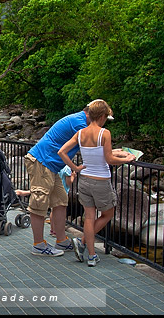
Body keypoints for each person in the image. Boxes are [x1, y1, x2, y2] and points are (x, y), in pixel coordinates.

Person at [58, 99, 135, 267]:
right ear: (101, 116)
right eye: (106, 116)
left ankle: (91, 255)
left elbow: (62, 151)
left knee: (89, 218)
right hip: (100, 181)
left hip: (84, 180)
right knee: (108, 214)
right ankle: (83, 242)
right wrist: (127, 159)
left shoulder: (81, 133)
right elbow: (109, 159)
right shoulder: (104, 133)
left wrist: (75, 168)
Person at [25, 105, 94, 257]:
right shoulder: (80, 123)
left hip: (52, 165)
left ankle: (61, 239)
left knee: (61, 201)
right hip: (42, 162)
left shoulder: (79, 120)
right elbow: (92, 147)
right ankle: (38, 245)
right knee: (39, 201)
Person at [15, 164, 76, 238]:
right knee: (60, 211)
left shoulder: (54, 165)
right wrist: (73, 176)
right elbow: (68, 182)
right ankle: (59, 231)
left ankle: (53, 230)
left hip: (52, 191)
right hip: (62, 192)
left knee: (53, 211)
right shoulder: (67, 168)